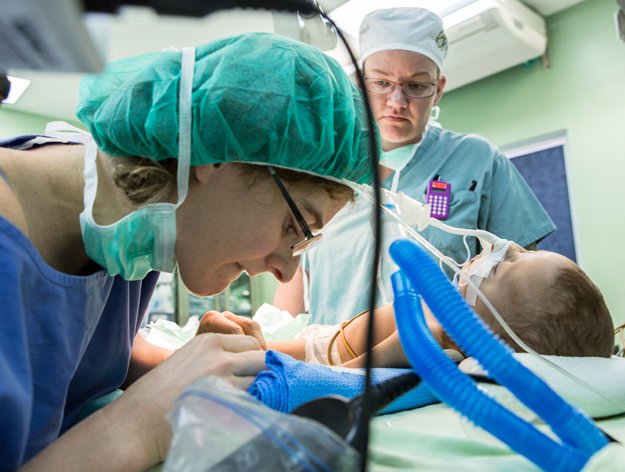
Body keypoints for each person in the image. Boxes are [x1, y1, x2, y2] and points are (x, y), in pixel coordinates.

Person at [0, 33, 375, 471]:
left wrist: (187, 366)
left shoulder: (141, 215)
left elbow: (88, 361)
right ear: (217, 157)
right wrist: (136, 424)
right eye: (295, 225)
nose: (288, 272)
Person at [272, 7, 556, 325]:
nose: (397, 101)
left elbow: (528, 283)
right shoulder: (324, 168)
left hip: (440, 362)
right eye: (381, 82)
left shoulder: (476, 160)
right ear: (358, 83)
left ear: (439, 89)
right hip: (334, 363)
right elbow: (291, 287)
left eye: (416, 86)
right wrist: (280, 347)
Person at [200, 242, 615, 367]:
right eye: (519, 250)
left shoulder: (426, 335)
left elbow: (329, 372)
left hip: (306, 351)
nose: (499, 246)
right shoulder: (430, 313)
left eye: (505, 266)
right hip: (302, 339)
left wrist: (259, 351)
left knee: (214, 347)